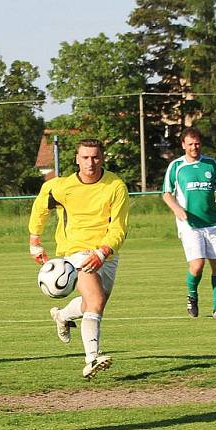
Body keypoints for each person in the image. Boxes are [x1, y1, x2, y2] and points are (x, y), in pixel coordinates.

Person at [28, 138, 129, 380]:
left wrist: (103, 252)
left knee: (93, 303)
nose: (90, 162)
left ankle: (62, 315)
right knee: (95, 299)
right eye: (85, 157)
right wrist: (35, 241)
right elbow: (40, 206)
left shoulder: (115, 186)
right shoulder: (61, 187)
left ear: (102, 158)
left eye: (95, 157)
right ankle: (92, 358)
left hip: (106, 253)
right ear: (76, 159)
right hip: (75, 252)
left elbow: (119, 228)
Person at [162, 127, 216, 319]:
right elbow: (166, 194)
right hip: (189, 224)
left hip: (212, 223)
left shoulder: (210, 164)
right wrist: (177, 209)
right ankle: (192, 296)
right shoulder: (176, 166)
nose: (194, 147)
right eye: (190, 144)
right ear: (183, 145)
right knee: (198, 265)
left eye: (197, 143)